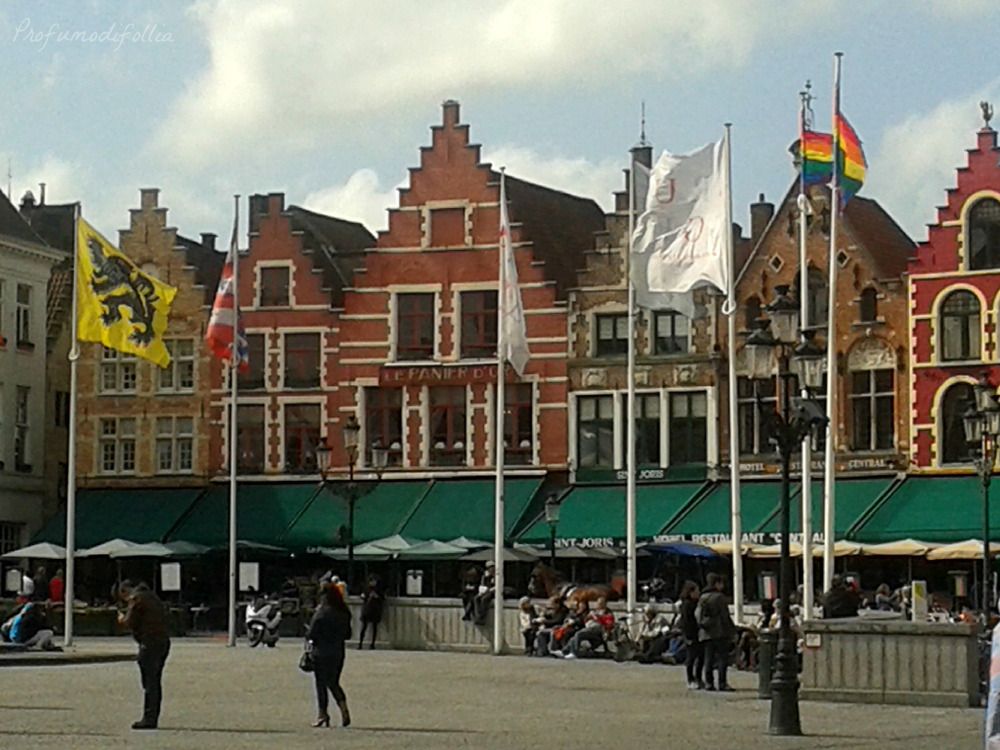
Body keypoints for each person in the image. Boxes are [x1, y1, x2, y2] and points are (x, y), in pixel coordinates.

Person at [117, 580, 171, 730]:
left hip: (150, 643)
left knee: (149, 682)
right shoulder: (153, 597)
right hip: (163, 642)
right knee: (155, 680)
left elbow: (129, 622)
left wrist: (122, 618)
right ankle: (152, 716)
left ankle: (149, 718)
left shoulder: (136, 599)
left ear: (124, 592)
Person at [308, 582, 353, 728]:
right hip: (338, 651)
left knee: (321, 683)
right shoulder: (344, 611)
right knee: (333, 682)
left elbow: (311, 633)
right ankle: (343, 707)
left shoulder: (321, 612)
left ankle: (323, 714)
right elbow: (348, 634)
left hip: (321, 651)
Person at [698, 573, 735, 691]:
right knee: (722, 658)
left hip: (706, 632)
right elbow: (725, 616)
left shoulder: (703, 597)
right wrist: (732, 630)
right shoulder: (719, 597)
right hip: (719, 631)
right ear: (716, 584)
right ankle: (722, 682)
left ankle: (709, 682)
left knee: (708, 658)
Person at [678, 581, 703, 687]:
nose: (698, 593)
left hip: (698, 633)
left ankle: (698, 677)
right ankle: (690, 679)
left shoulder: (697, 603)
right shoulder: (687, 605)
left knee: (700, 657)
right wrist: (688, 636)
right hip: (691, 634)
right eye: (697, 591)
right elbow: (686, 622)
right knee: (691, 657)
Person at [358, 575, 384, 650]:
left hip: (375, 610)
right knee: (363, 627)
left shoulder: (378, 589)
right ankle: (360, 643)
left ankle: (372, 644)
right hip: (367, 609)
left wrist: (377, 597)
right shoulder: (366, 589)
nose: (373, 583)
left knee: (374, 627)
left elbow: (382, 598)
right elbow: (362, 596)